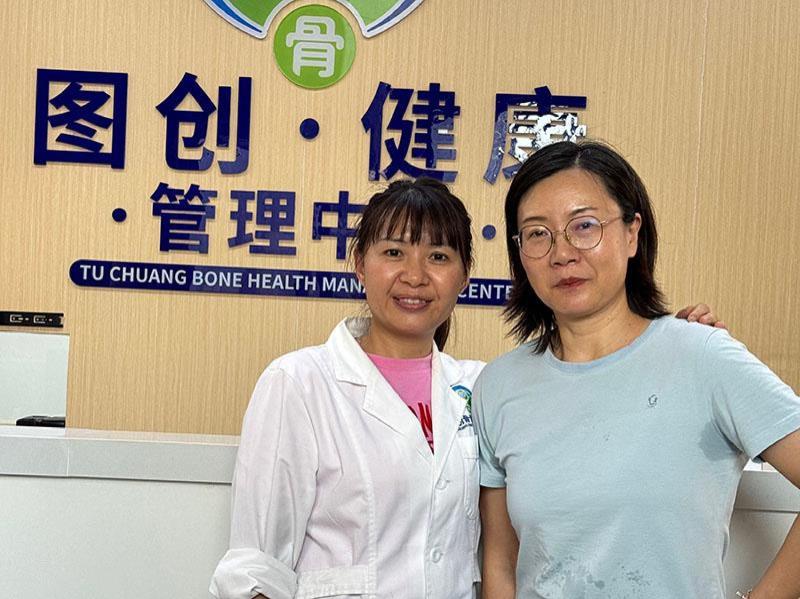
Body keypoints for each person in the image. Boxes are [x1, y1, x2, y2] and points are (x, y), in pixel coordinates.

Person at [209, 177, 722, 599]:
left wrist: (663, 350)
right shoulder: (299, 383)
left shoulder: (486, 386)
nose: (414, 276)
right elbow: (256, 564)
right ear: (359, 262)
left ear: (464, 276)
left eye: (438, 257)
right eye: (393, 252)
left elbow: (590, 408)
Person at [475, 140, 800, 599]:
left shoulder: (701, 356)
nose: (561, 253)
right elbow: (501, 564)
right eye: (537, 233)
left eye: (584, 226)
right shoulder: (499, 385)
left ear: (632, 233)